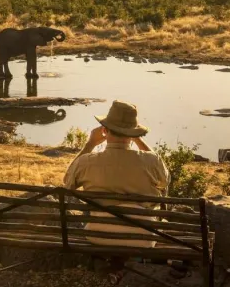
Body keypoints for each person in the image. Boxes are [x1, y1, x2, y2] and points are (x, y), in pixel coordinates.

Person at [63, 100, 170, 250]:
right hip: (143, 238)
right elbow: (165, 182)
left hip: (98, 235)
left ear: (105, 131)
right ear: (133, 134)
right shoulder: (152, 161)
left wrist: (90, 144)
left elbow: (67, 182)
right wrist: (137, 139)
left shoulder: (86, 162)